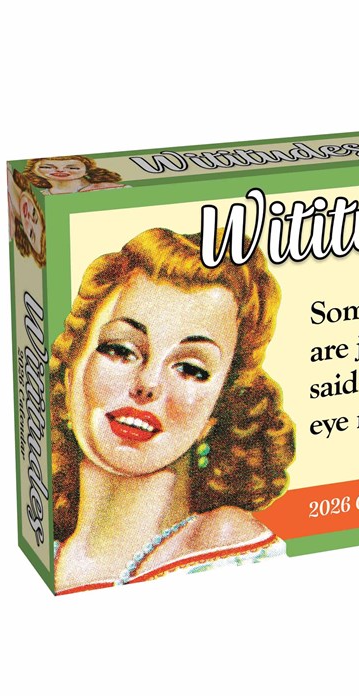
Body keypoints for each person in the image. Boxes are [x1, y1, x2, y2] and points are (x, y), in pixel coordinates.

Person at [51, 227, 295, 593]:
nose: (148, 383)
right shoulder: (45, 555)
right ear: (72, 370)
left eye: (191, 369)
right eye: (120, 350)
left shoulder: (224, 544)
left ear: (219, 408)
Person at [23, 155, 129, 195]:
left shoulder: (113, 189)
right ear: (34, 170)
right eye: (47, 167)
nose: (60, 170)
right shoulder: (41, 196)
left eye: (72, 168)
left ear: (86, 171)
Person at [7, 167, 46, 267]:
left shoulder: (10, 227)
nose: (28, 219)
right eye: (34, 213)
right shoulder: (19, 173)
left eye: (31, 233)